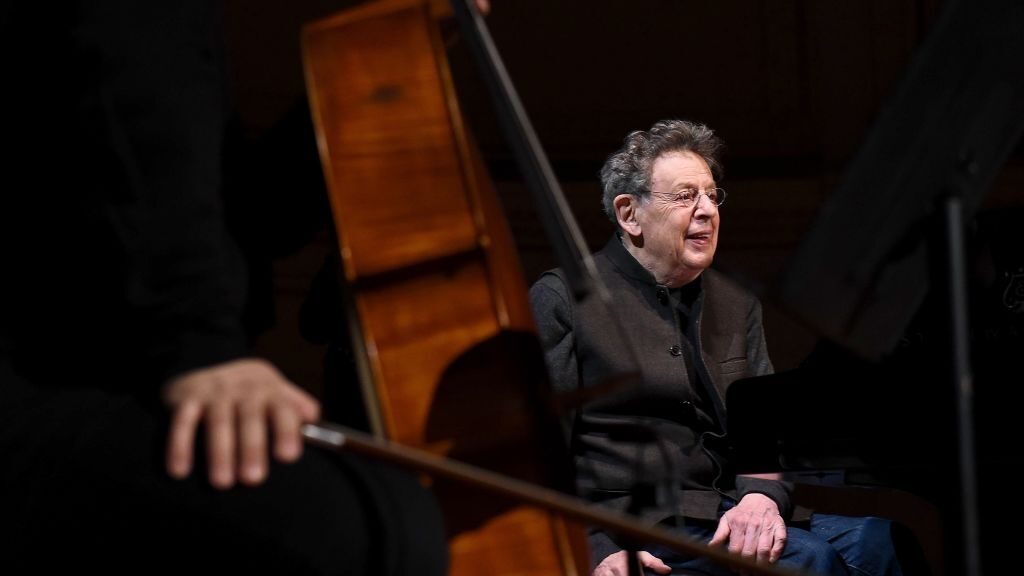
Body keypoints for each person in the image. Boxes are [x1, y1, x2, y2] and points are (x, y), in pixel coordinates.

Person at [0, 1, 447, 574]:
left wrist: (388, 60)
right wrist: (199, 348)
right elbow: (130, 98)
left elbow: (253, 218)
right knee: (379, 529)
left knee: (387, 517)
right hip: (40, 376)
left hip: (96, 372)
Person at [529, 119, 903, 575]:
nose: (707, 210)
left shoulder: (736, 302)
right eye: (686, 196)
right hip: (636, 522)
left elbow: (766, 435)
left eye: (711, 195)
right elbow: (534, 457)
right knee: (809, 561)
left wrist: (762, 497)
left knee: (881, 543)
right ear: (629, 215)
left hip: (726, 507)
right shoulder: (564, 299)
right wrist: (595, 549)